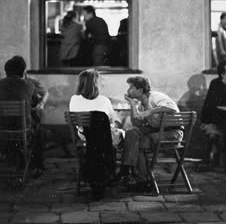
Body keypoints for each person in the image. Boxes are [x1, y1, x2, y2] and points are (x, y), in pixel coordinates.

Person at [117, 76, 183, 192]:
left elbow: (171, 108)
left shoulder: (156, 96)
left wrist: (148, 112)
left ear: (140, 90)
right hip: (157, 131)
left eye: (131, 87)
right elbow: (136, 123)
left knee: (138, 142)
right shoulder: (141, 103)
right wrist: (132, 104)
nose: (128, 91)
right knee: (131, 133)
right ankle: (127, 170)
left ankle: (139, 178)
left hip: (172, 132)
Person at [69, 69, 122, 198]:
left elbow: (76, 122)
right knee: (123, 135)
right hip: (104, 138)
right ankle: (119, 173)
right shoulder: (104, 100)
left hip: (85, 137)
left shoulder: (74, 99)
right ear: (96, 84)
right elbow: (112, 120)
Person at [0, 56, 44, 177]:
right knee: (38, 128)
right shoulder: (29, 85)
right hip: (23, 129)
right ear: (23, 71)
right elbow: (35, 105)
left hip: (2, 130)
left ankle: (12, 158)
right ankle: (37, 166)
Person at [201, 60, 226, 167]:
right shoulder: (215, 84)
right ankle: (215, 162)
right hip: (213, 121)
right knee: (217, 135)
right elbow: (211, 108)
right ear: (222, 74)